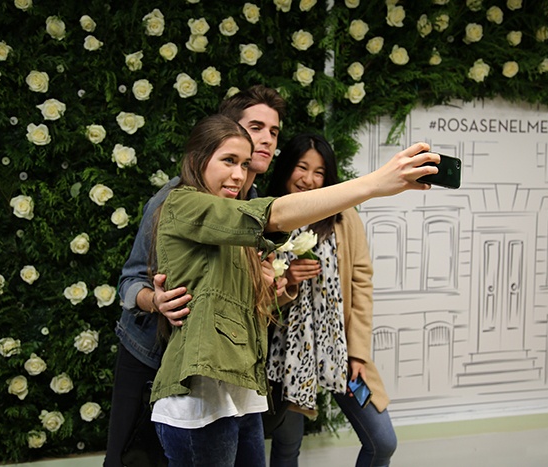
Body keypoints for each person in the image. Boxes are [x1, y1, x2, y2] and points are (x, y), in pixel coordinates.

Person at [148, 115, 440, 466]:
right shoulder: (183, 203)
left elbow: (249, 306)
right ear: (197, 159)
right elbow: (271, 216)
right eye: (228, 161)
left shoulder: (235, 231)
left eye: (244, 164)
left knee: (380, 441)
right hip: (199, 401)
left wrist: (270, 285)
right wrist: (375, 183)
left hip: (242, 394)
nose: (239, 175)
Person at [104, 85, 286, 467]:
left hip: (216, 366)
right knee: (131, 459)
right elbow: (130, 280)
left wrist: (268, 287)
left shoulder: (249, 199)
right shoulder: (175, 198)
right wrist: (155, 300)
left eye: (274, 131)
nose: (267, 139)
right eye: (256, 127)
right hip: (150, 352)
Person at [265, 134, 397, 467]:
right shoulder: (268, 217)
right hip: (286, 355)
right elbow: (254, 297)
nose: (309, 179)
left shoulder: (343, 215)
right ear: (286, 168)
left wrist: (358, 353)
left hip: (340, 349)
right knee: (287, 447)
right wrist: (288, 280)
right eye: (302, 167)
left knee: (382, 442)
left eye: (319, 172)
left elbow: (361, 282)